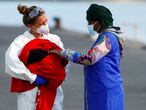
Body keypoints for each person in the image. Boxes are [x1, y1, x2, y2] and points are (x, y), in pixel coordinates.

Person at [49, 4, 125, 110]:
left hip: (104, 88)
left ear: (99, 21)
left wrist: (64, 53)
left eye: (90, 22)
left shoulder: (107, 38)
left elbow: (89, 59)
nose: (89, 25)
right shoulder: (113, 36)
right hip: (109, 85)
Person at [5, 4, 65, 110]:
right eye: (41, 23)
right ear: (30, 26)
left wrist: (57, 77)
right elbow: (11, 62)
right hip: (29, 90)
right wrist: (33, 77)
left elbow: (63, 62)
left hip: (52, 87)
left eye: (46, 21)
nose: (45, 25)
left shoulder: (54, 39)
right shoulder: (21, 41)